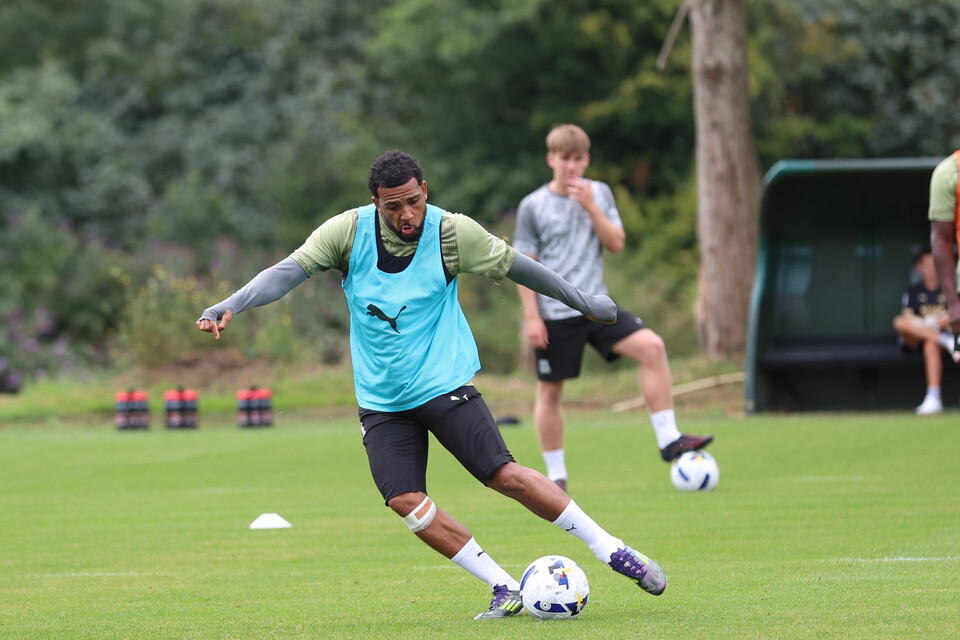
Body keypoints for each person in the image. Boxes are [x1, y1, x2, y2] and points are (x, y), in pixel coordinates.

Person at [196, 150, 667, 619]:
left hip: (443, 382)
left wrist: (582, 300)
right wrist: (229, 304)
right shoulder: (348, 231)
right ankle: (503, 586)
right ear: (375, 203)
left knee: (503, 475)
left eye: (413, 201)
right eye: (392, 207)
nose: (406, 215)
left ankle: (611, 549)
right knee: (404, 499)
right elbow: (286, 272)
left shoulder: (452, 232)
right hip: (382, 399)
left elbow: (521, 267)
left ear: (426, 191)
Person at [513, 124, 712, 492]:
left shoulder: (599, 193)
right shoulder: (533, 206)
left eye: (578, 159)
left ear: (586, 160)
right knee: (551, 392)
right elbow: (525, 265)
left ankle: (669, 439)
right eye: (564, 159)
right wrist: (532, 317)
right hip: (555, 313)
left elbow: (616, 243)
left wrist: (591, 207)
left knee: (652, 346)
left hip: (597, 306)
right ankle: (556, 476)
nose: (571, 167)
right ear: (551, 159)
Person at [892, 247, 959, 415]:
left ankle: (934, 398)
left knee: (931, 344)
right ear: (919, 267)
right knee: (900, 323)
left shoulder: (950, 289)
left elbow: (955, 314)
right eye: (926, 264)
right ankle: (946, 341)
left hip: (943, 334)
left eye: (934, 264)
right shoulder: (913, 291)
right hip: (919, 338)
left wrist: (935, 322)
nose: (930, 268)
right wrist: (928, 323)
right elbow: (906, 319)